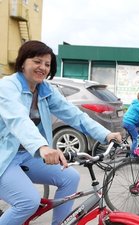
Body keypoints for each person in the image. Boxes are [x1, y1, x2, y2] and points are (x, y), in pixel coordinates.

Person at [0, 40, 122, 225]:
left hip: (26, 155)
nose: (43, 67)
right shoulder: (7, 87)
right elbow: (18, 120)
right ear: (23, 62)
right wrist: (42, 147)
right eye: (37, 61)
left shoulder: (45, 90)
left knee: (70, 178)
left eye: (47, 64)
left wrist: (105, 134)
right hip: (4, 158)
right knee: (28, 202)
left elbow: (74, 114)